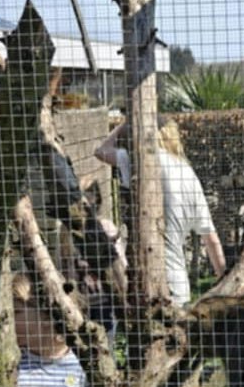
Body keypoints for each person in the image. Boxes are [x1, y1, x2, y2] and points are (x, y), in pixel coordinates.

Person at [95, 120, 226, 307]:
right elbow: (210, 238)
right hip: (178, 284)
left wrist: (123, 125)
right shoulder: (187, 172)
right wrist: (224, 281)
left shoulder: (135, 161)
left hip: (144, 283)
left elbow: (100, 151)